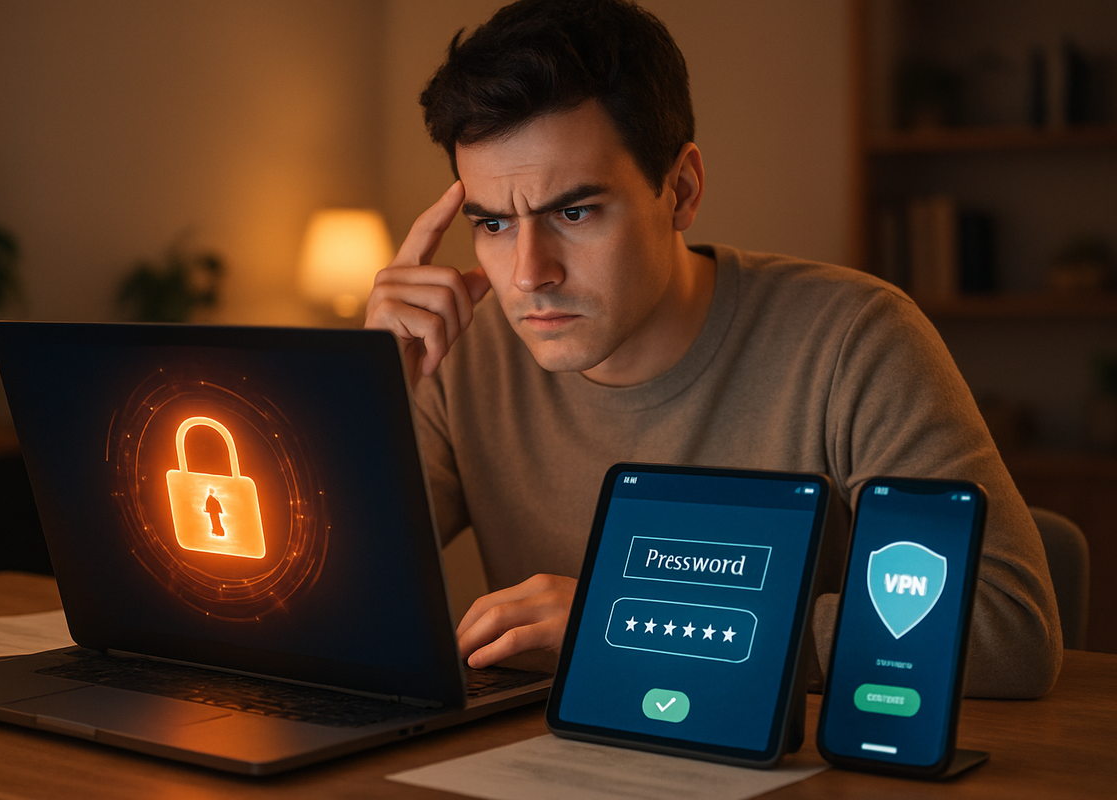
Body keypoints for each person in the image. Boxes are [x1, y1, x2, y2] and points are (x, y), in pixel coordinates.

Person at [365, 0, 1061, 698]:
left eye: (573, 212)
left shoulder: (856, 339)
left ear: (683, 191)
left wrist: (627, 617)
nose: (527, 274)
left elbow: (1008, 629)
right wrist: (368, 401)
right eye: (491, 224)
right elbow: (325, 598)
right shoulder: (461, 354)